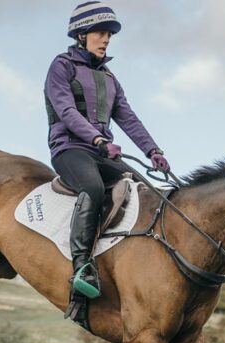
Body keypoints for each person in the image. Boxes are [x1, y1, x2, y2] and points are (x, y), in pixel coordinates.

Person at [45, 1, 170, 301]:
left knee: (145, 188)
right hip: (70, 149)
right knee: (93, 187)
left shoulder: (111, 78)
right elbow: (66, 112)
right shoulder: (61, 66)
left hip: (102, 153)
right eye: (101, 33)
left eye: (109, 35)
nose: (106, 39)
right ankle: (81, 266)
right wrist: (97, 139)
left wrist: (153, 149)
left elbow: (128, 118)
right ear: (81, 34)